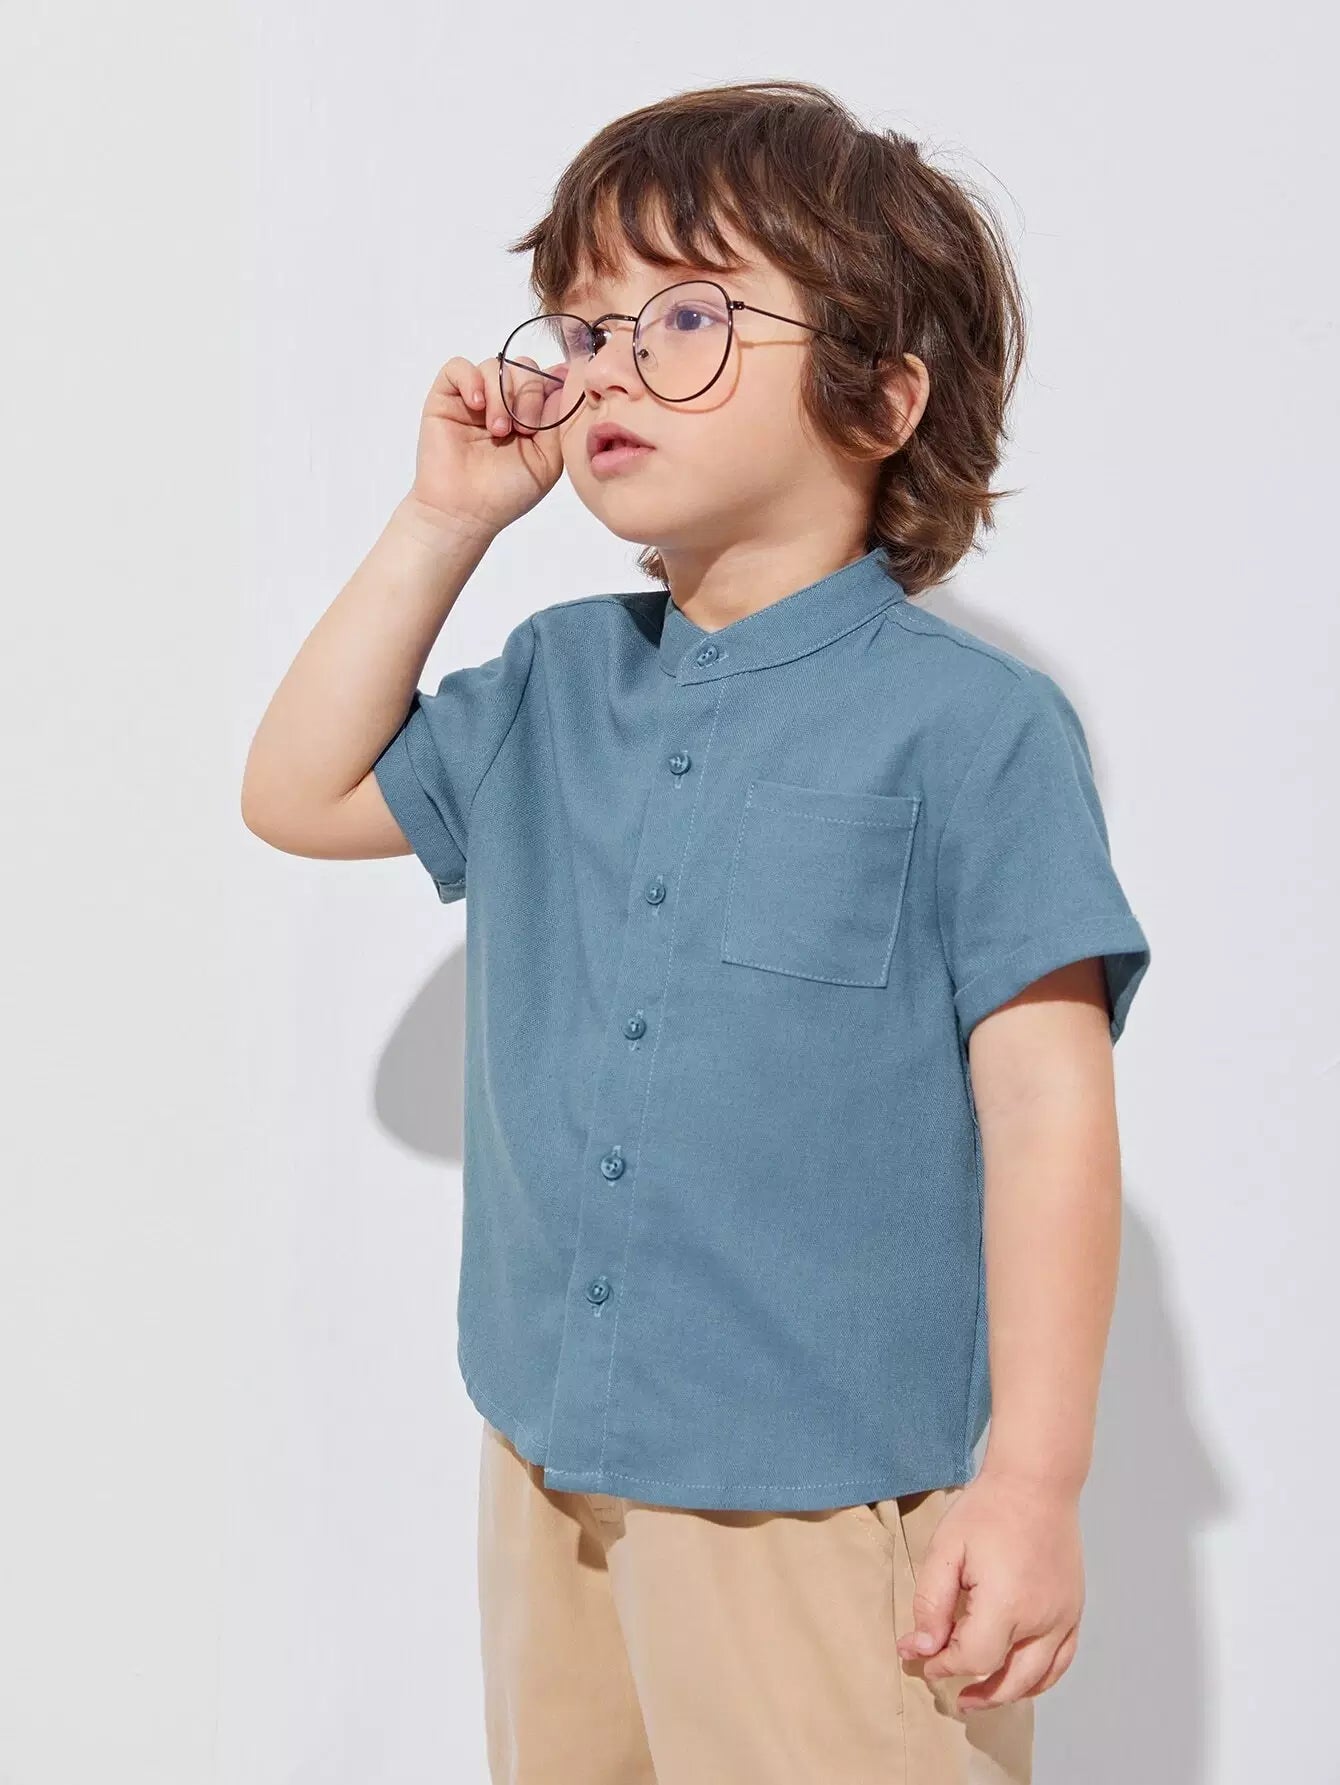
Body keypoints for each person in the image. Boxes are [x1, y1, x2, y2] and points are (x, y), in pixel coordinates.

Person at [242, 78, 1151, 1785]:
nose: (606, 368)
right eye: (585, 328)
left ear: (881, 393)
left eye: (685, 317)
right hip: (550, 1457)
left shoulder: (975, 730)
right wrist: (445, 521)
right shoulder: (554, 684)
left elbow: (1049, 1108)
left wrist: (1034, 1481)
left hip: (822, 1501)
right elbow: (297, 790)